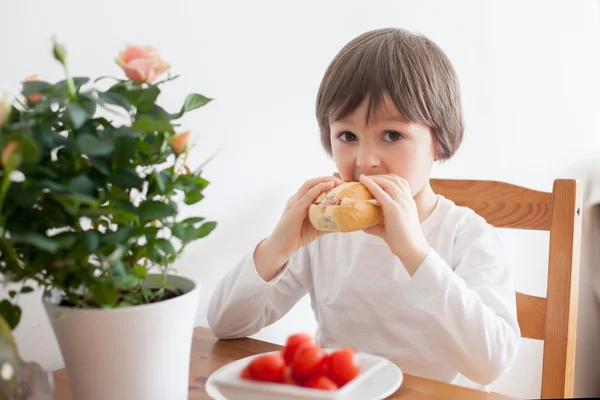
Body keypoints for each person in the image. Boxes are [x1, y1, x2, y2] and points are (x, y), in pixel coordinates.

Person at [207, 27, 520, 391]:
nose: (366, 161)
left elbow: (491, 365)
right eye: (348, 136)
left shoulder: (465, 235)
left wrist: (415, 253)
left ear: (439, 143)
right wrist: (278, 245)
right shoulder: (325, 234)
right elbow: (225, 325)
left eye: (392, 135)